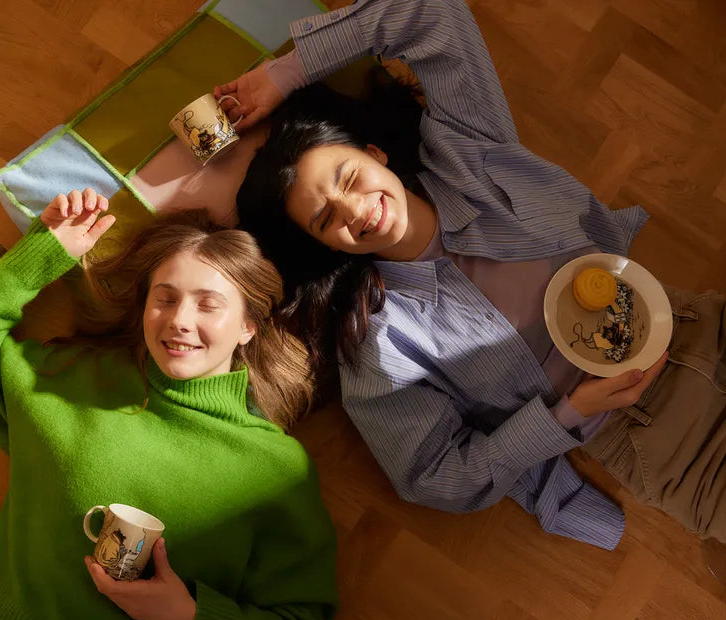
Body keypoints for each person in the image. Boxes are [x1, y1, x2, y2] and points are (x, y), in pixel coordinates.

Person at [216, 0, 726, 555]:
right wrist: (568, 415)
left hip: (696, 322)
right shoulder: (379, 344)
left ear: (375, 153)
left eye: (349, 177)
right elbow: (434, 477)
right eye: (325, 220)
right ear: (325, 246)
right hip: (649, 432)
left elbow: (431, 12)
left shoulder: (467, 153)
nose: (356, 210)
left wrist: (283, 73)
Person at [0, 188, 338, 620]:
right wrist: (44, 254)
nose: (179, 320)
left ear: (248, 327)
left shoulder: (277, 468)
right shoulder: (76, 379)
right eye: (165, 298)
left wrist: (188, 617)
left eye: (208, 304)